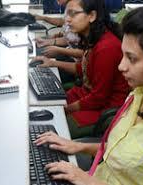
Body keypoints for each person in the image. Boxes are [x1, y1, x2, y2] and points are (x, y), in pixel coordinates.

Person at [34, 5, 143, 185]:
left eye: (132, 59)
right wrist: (77, 146)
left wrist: (87, 180)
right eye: (123, 55)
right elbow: (122, 152)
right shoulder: (141, 93)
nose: (121, 66)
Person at [34, 0, 129, 138]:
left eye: (73, 14)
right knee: (44, 111)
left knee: (53, 127)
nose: (67, 19)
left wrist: (65, 109)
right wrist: (52, 63)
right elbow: (82, 68)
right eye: (67, 14)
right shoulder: (93, 38)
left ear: (92, 16)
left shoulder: (107, 48)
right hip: (86, 96)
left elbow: (99, 98)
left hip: (103, 109)